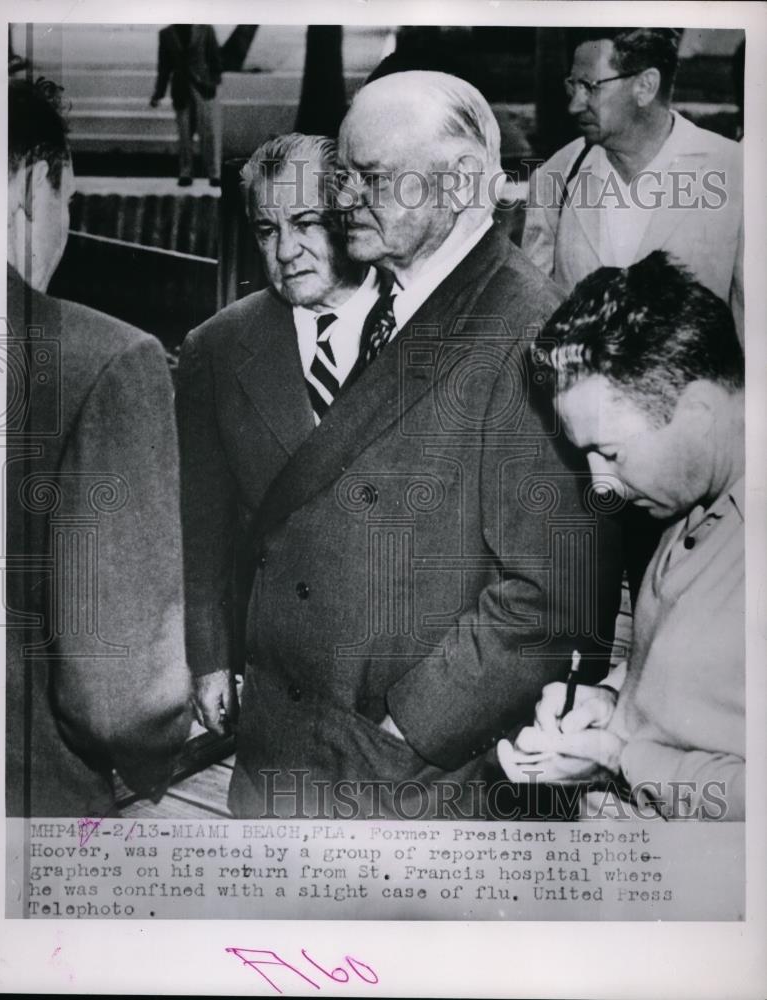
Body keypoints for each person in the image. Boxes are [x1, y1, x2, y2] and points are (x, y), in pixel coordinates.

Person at [178, 73, 621, 821]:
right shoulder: (388, 297)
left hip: (404, 782)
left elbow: (550, 598)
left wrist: (405, 727)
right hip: (291, 753)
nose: (346, 198)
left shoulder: (528, 328)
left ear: (457, 184)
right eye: (344, 175)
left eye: (371, 178)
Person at [498, 251, 745, 821]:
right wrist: (611, 704)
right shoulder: (686, 504)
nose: (599, 484)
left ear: (700, 412)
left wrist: (619, 757)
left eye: (609, 453)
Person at [6, 78, 191, 817]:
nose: (66, 227)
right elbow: (121, 697)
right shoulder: (104, 362)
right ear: (29, 185)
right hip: (28, 813)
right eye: (68, 202)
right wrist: (149, 762)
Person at [522, 28, 743, 343]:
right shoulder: (556, 176)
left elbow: (754, 333)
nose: (574, 105)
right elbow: (535, 319)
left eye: (590, 86)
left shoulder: (734, 171)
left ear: (646, 86)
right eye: (573, 85)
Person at [150, 24, 222, 187]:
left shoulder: (205, 29)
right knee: (184, 133)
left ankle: (214, 173)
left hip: (204, 88)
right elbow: (164, 66)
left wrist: (213, 82)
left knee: (209, 131)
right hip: (180, 88)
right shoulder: (166, 34)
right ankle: (186, 172)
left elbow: (214, 56)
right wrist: (158, 94)